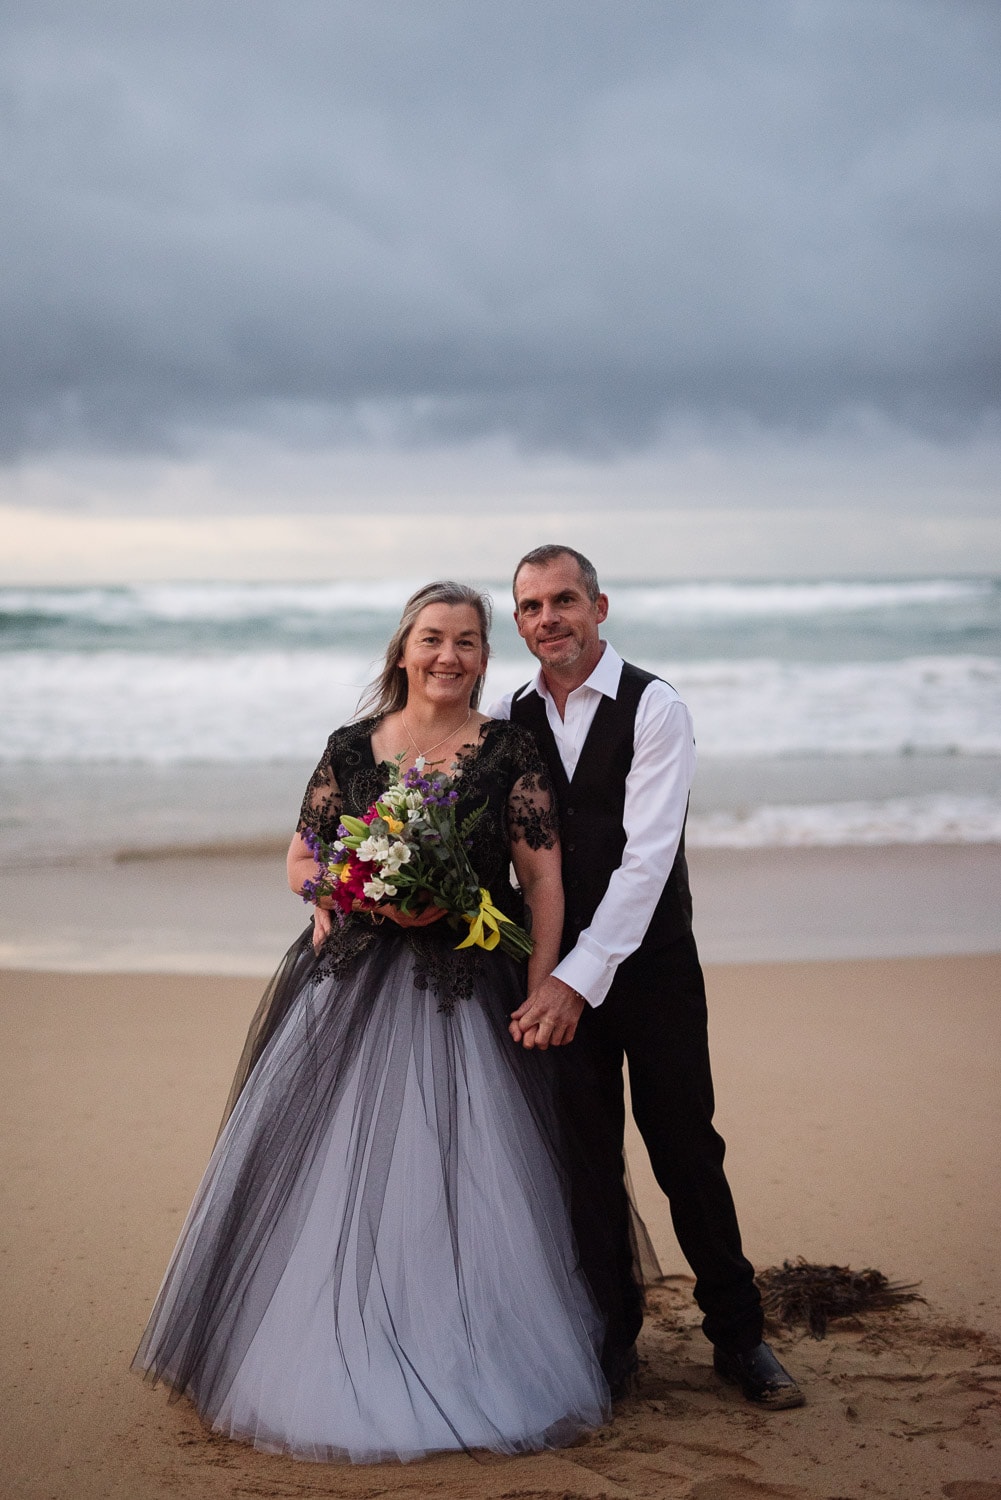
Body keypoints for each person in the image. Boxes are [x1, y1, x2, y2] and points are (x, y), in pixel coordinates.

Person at [133, 580, 609, 1461]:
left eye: (467, 642)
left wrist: (544, 982)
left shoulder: (509, 751)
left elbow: (542, 880)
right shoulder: (352, 747)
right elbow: (300, 854)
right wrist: (344, 889)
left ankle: (465, 1352)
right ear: (402, 650)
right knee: (328, 1174)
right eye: (432, 638)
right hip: (350, 982)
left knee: (463, 1177)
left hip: (467, 988)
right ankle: (313, 1350)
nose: (447, 657)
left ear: (483, 657)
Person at [488, 545, 804, 1410]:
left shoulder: (655, 706)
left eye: (562, 601)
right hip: (550, 970)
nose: (546, 618)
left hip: (650, 968)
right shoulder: (507, 716)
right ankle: (610, 1341)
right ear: (517, 620)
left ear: (598, 606)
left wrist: (573, 980)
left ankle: (740, 1339)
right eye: (528, 607)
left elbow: (647, 858)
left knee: (685, 1151)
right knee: (584, 1161)